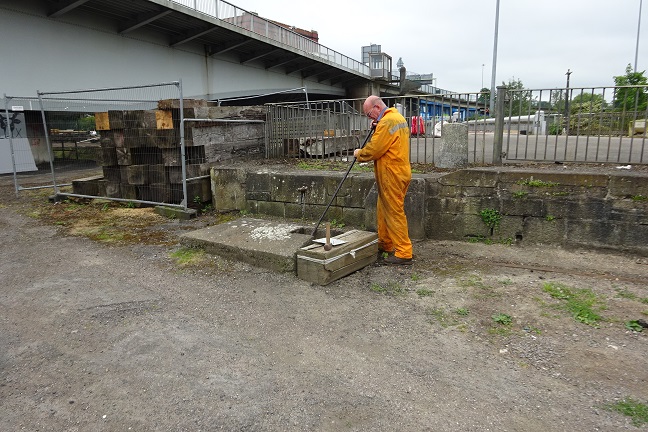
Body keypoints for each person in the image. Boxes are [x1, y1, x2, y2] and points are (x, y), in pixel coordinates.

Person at [354, 95, 413, 265]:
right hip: (400, 171)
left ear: (377, 108)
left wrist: (359, 153)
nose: (369, 117)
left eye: (368, 114)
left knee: (394, 211)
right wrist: (377, 125)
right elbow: (388, 138)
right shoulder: (396, 117)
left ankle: (403, 252)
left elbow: (375, 149)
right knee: (383, 209)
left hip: (391, 174)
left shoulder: (387, 122)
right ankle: (385, 243)